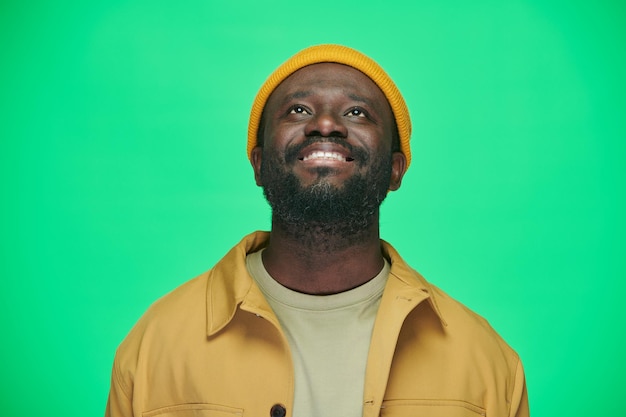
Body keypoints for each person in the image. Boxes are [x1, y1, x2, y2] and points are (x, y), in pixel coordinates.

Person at [105, 44, 529, 417]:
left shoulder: (485, 361)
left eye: (357, 112)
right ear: (258, 163)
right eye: (299, 110)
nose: (325, 124)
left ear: (395, 169)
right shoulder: (156, 344)